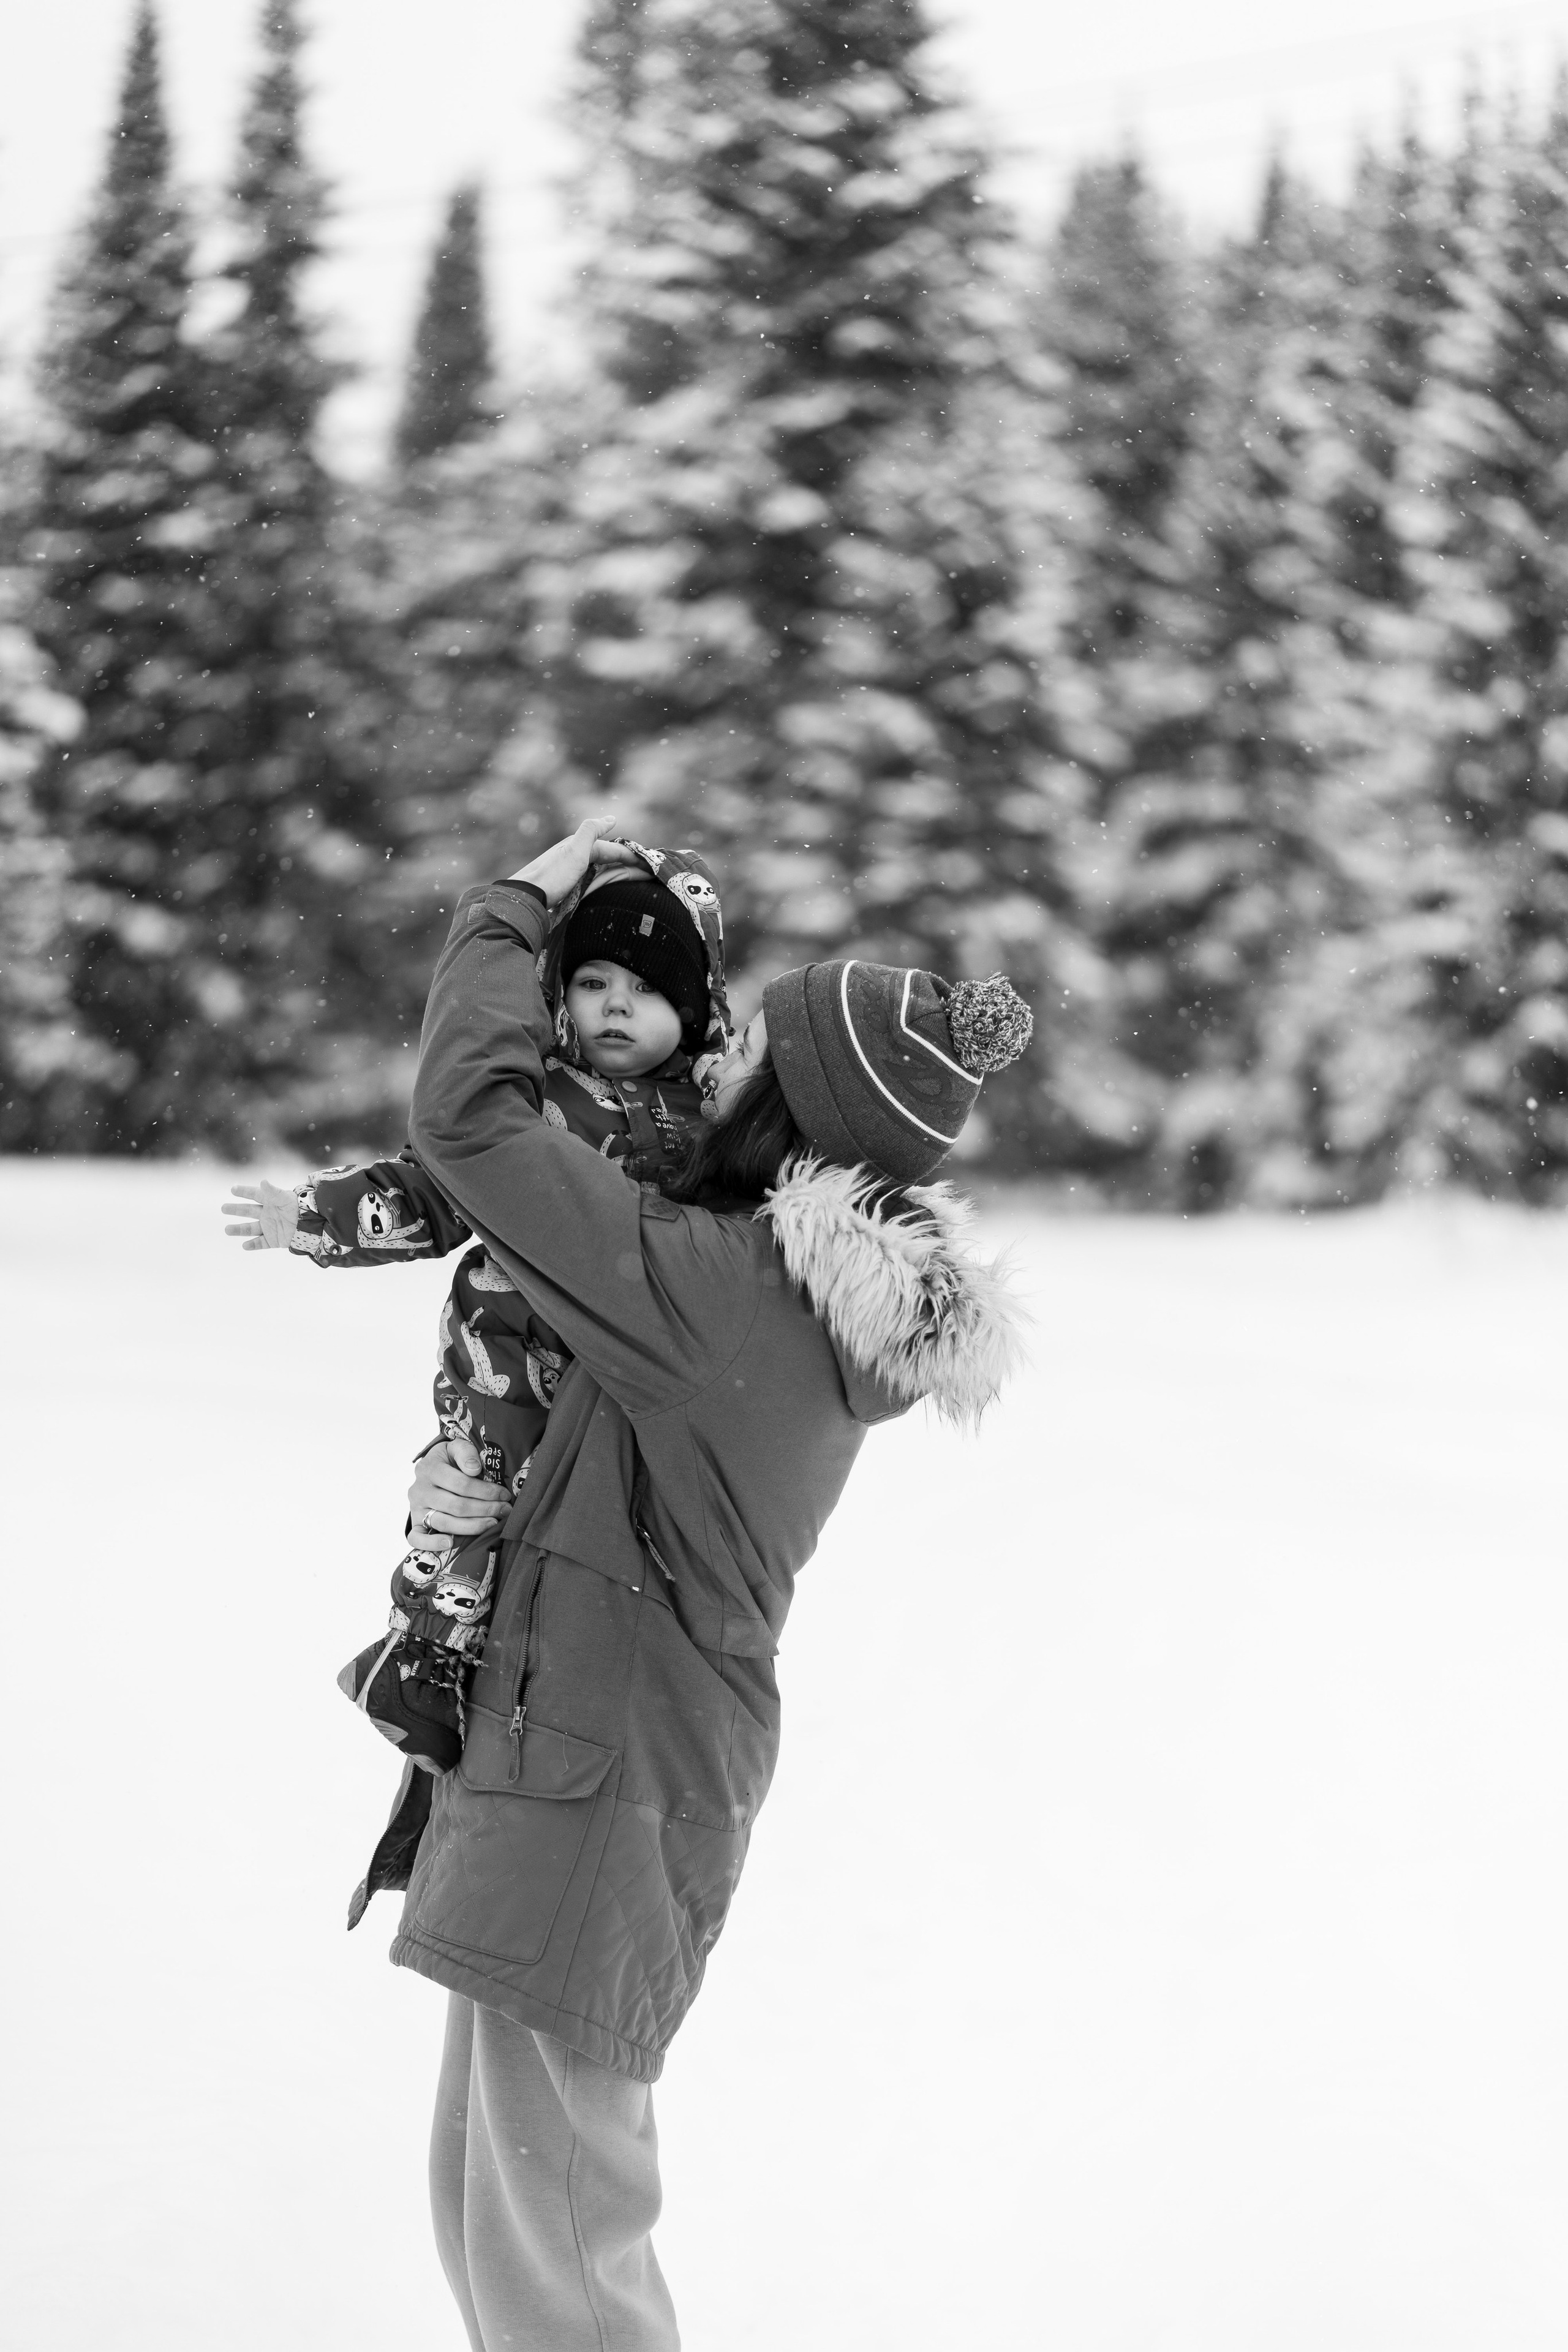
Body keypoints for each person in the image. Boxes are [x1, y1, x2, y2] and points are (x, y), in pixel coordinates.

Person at [364, 818, 1033, 2351]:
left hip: (605, 1771)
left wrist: (511, 911)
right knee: (501, 2206)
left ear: (788, 1113)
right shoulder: (756, 1279)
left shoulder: (716, 1293)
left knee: (569, 2245)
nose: (712, 1063)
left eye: (748, 1061)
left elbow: (470, 1123)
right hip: (584, 1753)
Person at [220, 843, 731, 1770]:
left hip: (616, 1380)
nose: (616, 1005)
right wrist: (319, 1218)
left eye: (648, 992)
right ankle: (422, 1658)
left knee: (561, 1532)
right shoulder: (537, 1102)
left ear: (693, 1014)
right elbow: (432, 1189)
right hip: (503, 1352)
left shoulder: (716, 1122)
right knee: (471, 1493)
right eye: (593, 981)